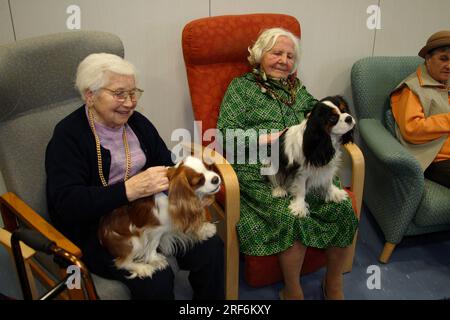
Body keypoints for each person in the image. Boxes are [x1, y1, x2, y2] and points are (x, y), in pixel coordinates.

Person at [45, 53, 224, 300]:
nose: (129, 103)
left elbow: (166, 162)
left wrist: (194, 189)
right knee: (157, 280)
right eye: (119, 93)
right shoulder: (68, 137)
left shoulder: (136, 123)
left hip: (149, 215)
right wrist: (128, 190)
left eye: (133, 93)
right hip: (101, 233)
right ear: (90, 96)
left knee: (211, 247)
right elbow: (66, 203)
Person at [216, 28, 358, 300]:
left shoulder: (297, 88)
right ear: (259, 54)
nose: (284, 60)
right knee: (289, 215)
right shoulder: (241, 88)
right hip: (262, 168)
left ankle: (333, 282)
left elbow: (321, 113)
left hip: (307, 165)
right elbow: (225, 136)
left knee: (341, 208)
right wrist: (272, 137)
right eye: (277, 53)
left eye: (290, 56)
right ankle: (292, 290)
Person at [390, 30, 450, 188]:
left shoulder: (445, 83)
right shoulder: (412, 88)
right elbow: (412, 129)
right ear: (428, 59)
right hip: (436, 159)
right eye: (443, 59)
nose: (449, 66)